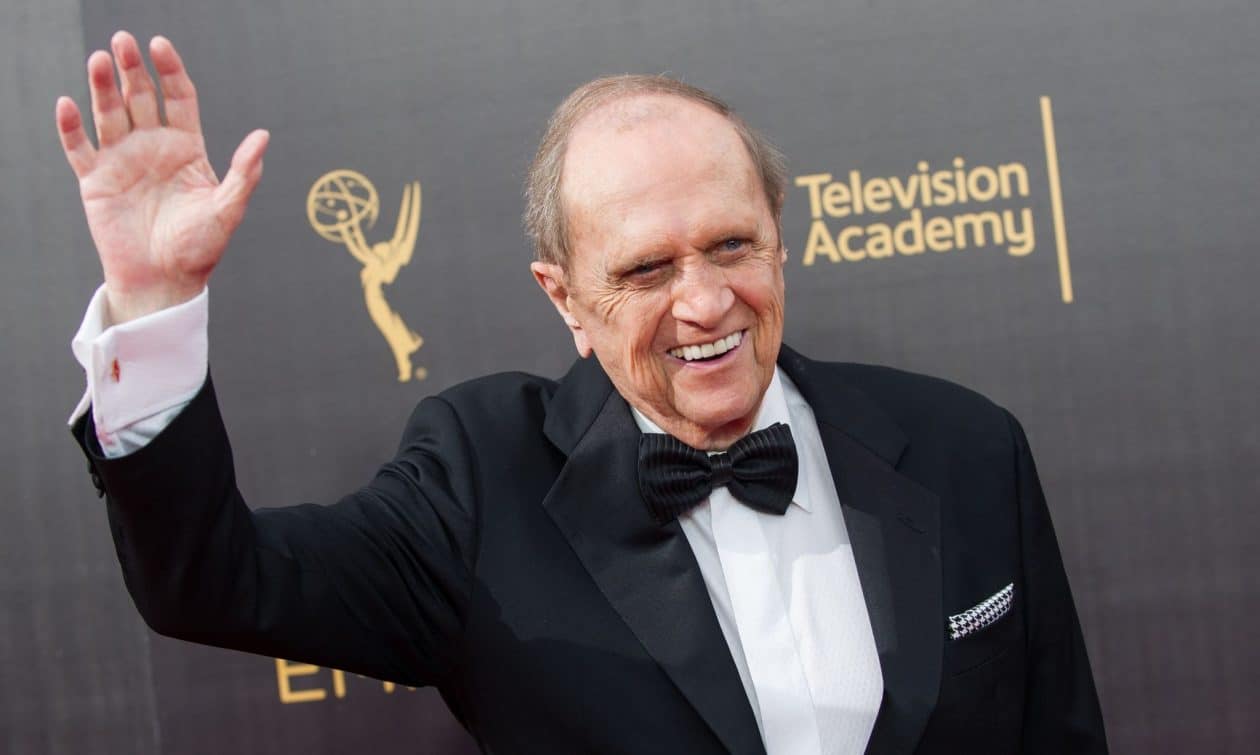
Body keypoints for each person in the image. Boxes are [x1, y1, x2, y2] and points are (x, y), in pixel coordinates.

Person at [58, 30, 1107, 755]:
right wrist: (153, 307)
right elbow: (213, 580)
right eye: (647, 269)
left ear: (780, 238)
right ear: (563, 298)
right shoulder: (481, 488)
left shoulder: (966, 447)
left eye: (731, 245)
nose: (705, 301)